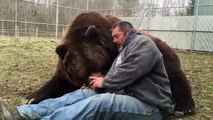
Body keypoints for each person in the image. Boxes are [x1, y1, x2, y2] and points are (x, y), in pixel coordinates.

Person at [0, 21, 174, 120]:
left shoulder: (144, 44)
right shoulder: (124, 51)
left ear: (128, 32)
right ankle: (22, 113)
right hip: (129, 97)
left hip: (150, 108)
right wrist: (98, 84)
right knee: (81, 95)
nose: (113, 40)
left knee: (100, 103)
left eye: (116, 36)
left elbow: (131, 72)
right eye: (112, 36)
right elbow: (115, 75)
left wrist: (105, 82)